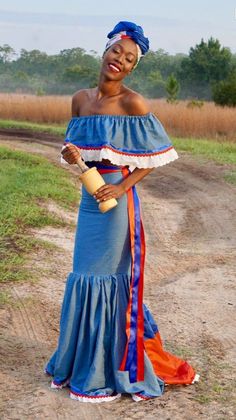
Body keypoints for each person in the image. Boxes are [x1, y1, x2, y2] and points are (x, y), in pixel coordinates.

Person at [44, 21, 199, 403]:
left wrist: (124, 185)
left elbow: (159, 155)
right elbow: (75, 148)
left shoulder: (134, 104)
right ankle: (80, 360)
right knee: (83, 274)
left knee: (105, 279)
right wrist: (70, 155)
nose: (121, 60)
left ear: (133, 68)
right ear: (106, 50)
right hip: (89, 200)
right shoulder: (80, 99)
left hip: (116, 207)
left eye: (130, 59)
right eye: (118, 51)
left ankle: (106, 369)